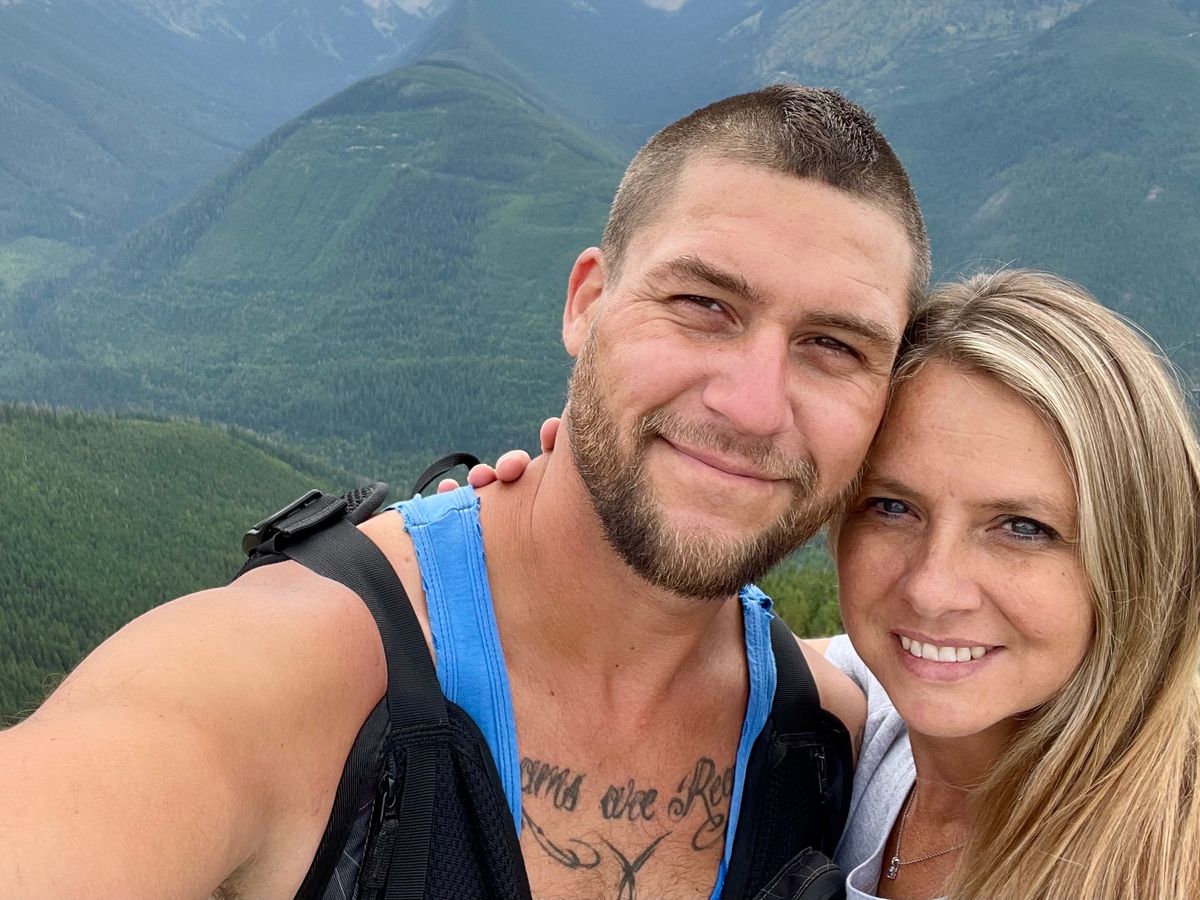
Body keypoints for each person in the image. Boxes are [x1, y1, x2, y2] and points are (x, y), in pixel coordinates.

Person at [0, 84, 929, 900]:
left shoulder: (831, 741)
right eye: (702, 305)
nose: (755, 406)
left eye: (833, 346)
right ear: (586, 303)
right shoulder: (277, 682)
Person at [476, 269, 1200, 899]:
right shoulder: (875, 719)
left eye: (1022, 528)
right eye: (892, 508)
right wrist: (542, 537)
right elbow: (722, 651)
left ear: (1139, 554)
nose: (933, 590)